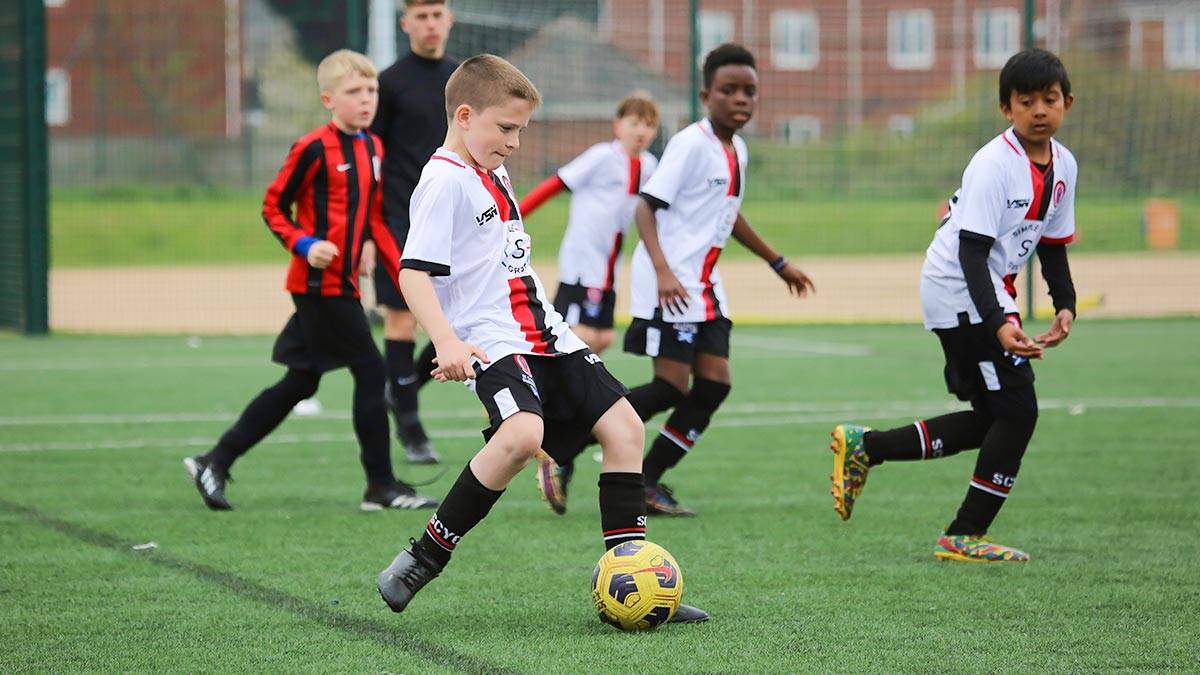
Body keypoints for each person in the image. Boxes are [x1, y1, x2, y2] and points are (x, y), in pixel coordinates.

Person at [374, 55, 707, 623]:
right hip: (491, 339)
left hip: (546, 331)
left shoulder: (492, 170)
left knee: (625, 426)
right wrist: (447, 342)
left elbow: (505, 263)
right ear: (464, 115)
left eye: (521, 131)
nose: (515, 143)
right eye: (506, 128)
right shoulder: (442, 180)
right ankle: (423, 556)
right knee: (523, 435)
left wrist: (555, 326)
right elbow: (412, 273)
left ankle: (629, 580)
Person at [828, 48, 1079, 563]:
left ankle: (867, 447)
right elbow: (971, 252)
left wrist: (1065, 305)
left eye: (1048, 100)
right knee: (1018, 410)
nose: (1038, 110)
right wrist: (998, 322)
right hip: (958, 289)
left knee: (996, 417)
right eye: (1025, 101)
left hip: (984, 293)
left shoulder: (1064, 166)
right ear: (1006, 109)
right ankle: (963, 535)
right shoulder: (993, 164)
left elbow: (1052, 245)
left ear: (1066, 103)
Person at [548, 44, 815, 518]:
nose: (741, 99)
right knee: (671, 387)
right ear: (707, 94)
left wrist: (778, 262)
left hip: (705, 287)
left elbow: (728, 215)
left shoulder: (738, 149)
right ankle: (561, 446)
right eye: (729, 90)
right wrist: (666, 272)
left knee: (714, 384)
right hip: (669, 285)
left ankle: (647, 478)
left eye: (749, 92)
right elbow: (646, 206)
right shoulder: (691, 144)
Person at [183, 50, 437, 513]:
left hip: (345, 285)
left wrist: (403, 265)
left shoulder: (373, 149)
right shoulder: (313, 148)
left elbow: (375, 218)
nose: (366, 100)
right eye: (354, 92)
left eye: (372, 91)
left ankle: (213, 461)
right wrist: (304, 244)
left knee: (300, 383)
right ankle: (380, 486)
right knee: (370, 370)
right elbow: (273, 208)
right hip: (319, 286)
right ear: (328, 99)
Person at [517, 91, 660, 513]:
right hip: (583, 265)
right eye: (633, 122)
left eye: (649, 124)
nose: (641, 130)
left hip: (607, 271)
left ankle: (561, 421)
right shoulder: (602, 156)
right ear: (618, 126)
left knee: (599, 339)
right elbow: (555, 184)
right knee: (577, 342)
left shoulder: (649, 167)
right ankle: (543, 412)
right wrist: (515, 214)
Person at [369, 0, 458, 464]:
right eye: (420, 16)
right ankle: (411, 426)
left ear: (449, 20)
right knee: (402, 319)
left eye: (436, 15)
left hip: (453, 218)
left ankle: (399, 389)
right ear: (405, 24)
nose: (429, 24)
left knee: (455, 319)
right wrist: (370, 231)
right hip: (399, 218)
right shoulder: (389, 83)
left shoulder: (465, 80)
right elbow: (373, 155)